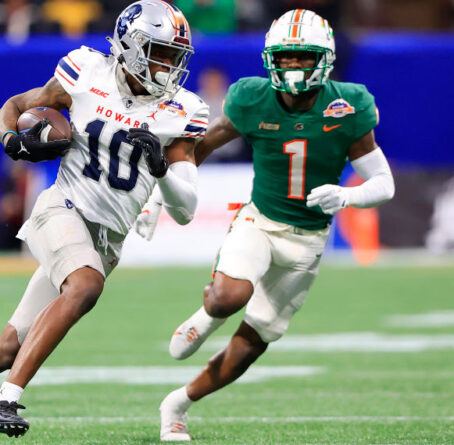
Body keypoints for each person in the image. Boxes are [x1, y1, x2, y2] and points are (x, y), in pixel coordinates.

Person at [0, 0, 208, 439]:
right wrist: (10, 139)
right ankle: (4, 401)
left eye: (176, 56)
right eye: (163, 53)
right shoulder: (86, 72)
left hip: (104, 241)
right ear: (133, 47)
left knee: (4, 350)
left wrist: (161, 173)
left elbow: (186, 209)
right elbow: (15, 105)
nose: (171, 66)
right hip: (61, 209)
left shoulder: (183, 109)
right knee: (85, 285)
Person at [137, 9, 395, 441]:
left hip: (308, 243)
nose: (293, 66)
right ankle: (208, 311)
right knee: (227, 298)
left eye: (302, 57)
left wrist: (347, 196)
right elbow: (196, 150)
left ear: (324, 60)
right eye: (286, 57)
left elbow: (383, 182)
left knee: (249, 347)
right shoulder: (253, 99)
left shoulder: (348, 106)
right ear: (271, 59)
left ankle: (177, 403)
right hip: (261, 221)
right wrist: (156, 197)